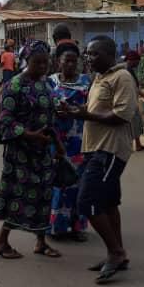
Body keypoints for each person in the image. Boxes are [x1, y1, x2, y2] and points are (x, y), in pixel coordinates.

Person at [73, 36, 138, 283]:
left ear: (110, 55)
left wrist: (86, 115)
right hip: (94, 148)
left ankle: (115, 251)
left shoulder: (122, 78)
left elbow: (123, 115)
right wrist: (78, 114)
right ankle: (119, 254)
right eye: (87, 54)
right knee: (109, 202)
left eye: (94, 54)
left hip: (110, 150)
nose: (88, 58)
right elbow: (96, 112)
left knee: (87, 201)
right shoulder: (100, 78)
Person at [0, 40, 63, 260]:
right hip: (20, 153)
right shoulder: (14, 86)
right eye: (37, 62)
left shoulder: (45, 84)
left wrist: (57, 144)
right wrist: (30, 135)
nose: (42, 66)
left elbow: (50, 117)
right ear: (26, 61)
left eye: (45, 62)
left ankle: (41, 242)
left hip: (44, 151)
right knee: (19, 195)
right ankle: (0, 241)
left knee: (43, 195)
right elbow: (5, 122)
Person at [48, 44, 91, 239]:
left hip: (79, 140)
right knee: (56, 182)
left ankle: (76, 226)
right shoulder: (51, 82)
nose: (71, 64)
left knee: (77, 182)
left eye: (75, 61)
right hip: (55, 139)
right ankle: (55, 226)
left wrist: (78, 111)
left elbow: (92, 107)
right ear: (59, 62)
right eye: (67, 60)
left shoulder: (86, 82)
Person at [124, 50, 144, 152]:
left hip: (132, 100)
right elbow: (134, 87)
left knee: (136, 122)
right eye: (137, 61)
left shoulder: (129, 69)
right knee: (131, 123)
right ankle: (131, 145)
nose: (138, 63)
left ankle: (138, 144)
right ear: (131, 60)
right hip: (128, 101)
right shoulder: (126, 71)